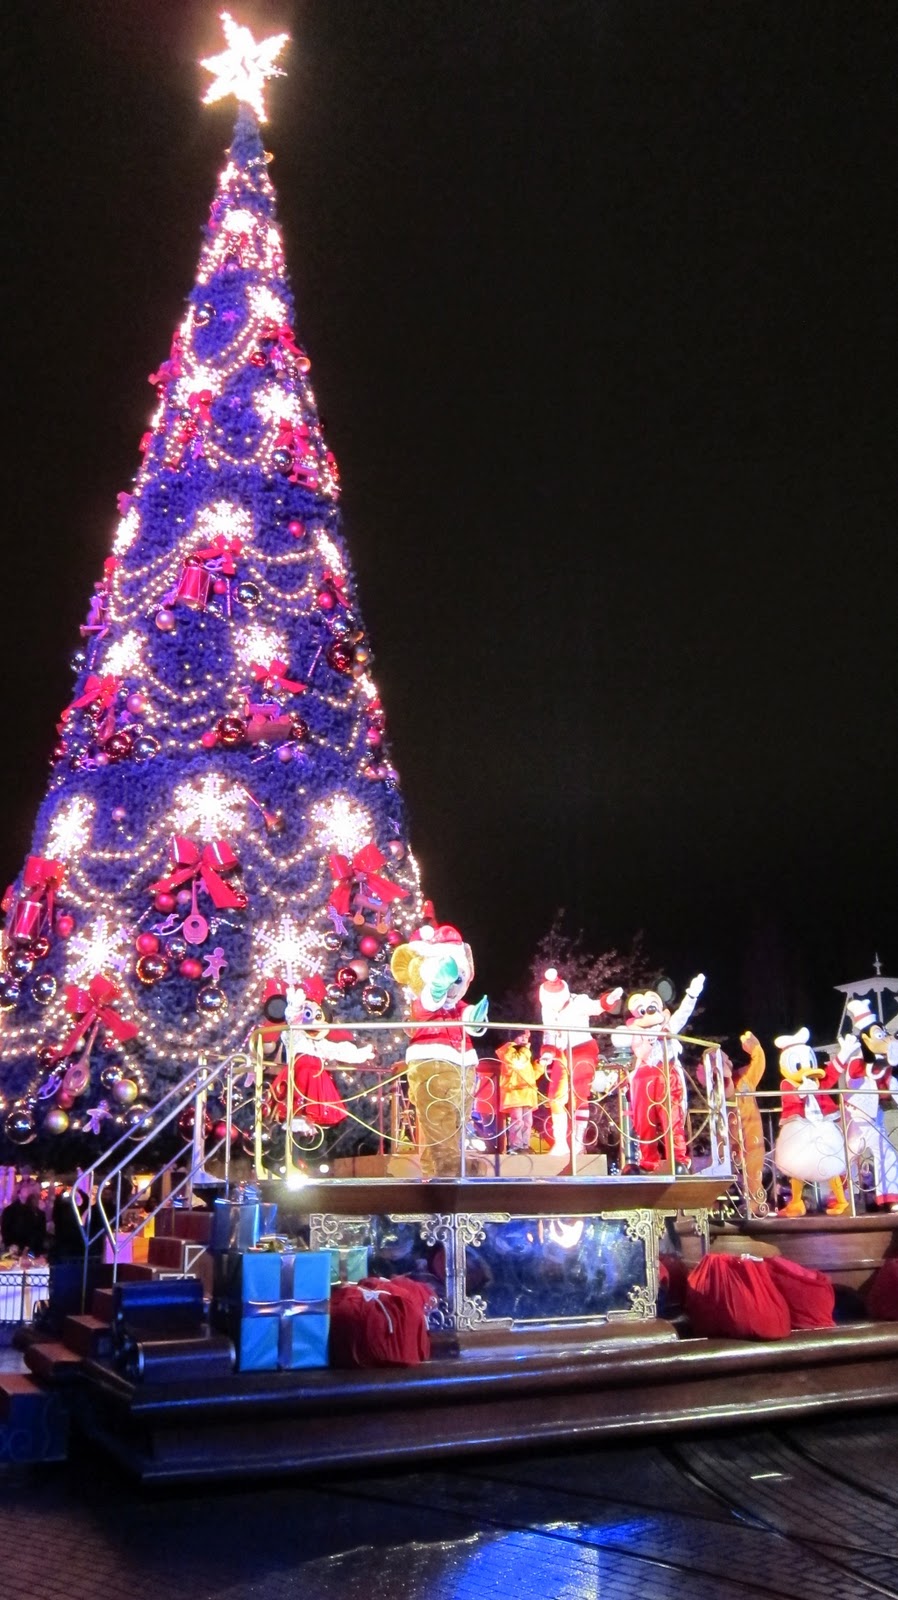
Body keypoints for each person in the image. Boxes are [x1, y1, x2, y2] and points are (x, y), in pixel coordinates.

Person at [496, 1032, 539, 1153]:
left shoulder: (523, 1052)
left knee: (527, 1121)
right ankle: (516, 1146)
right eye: (522, 1036)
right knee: (517, 1120)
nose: (525, 1039)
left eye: (527, 1037)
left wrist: (540, 1066)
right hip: (514, 1092)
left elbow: (529, 1076)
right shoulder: (509, 1050)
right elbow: (517, 1062)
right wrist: (526, 1050)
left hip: (527, 1092)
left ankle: (525, 1145)